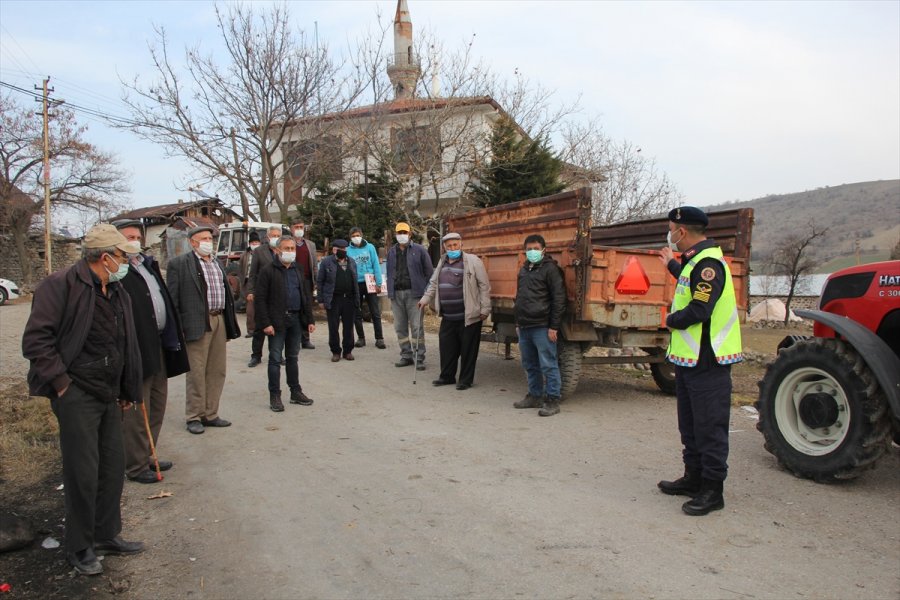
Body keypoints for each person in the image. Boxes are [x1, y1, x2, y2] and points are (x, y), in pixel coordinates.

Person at [22, 223, 145, 575]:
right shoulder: (59, 286)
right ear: (105, 257)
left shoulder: (117, 289)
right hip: (76, 393)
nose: (127, 261)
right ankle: (79, 547)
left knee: (111, 467)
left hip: (108, 393)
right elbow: (36, 342)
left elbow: (124, 342)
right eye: (122, 255)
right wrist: (61, 384)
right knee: (82, 472)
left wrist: (125, 388)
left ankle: (107, 535)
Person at [656, 206, 743, 516]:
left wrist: (670, 319)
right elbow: (690, 284)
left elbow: (699, 309)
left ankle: (712, 489)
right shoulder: (693, 263)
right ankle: (693, 478)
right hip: (690, 360)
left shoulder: (709, 265)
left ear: (682, 232)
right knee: (690, 424)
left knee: (709, 426)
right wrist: (671, 265)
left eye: (671, 229)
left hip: (709, 358)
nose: (670, 234)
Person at [113, 219, 190, 484]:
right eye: (128, 236)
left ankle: (149, 454)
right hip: (136, 347)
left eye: (137, 235)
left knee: (157, 402)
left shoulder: (146, 264)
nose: (134, 240)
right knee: (137, 407)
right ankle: (134, 465)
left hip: (159, 342)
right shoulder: (119, 270)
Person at [167, 224, 241, 434]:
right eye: (204, 239)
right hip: (196, 322)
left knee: (217, 369)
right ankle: (194, 416)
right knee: (196, 372)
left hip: (218, 320)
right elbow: (173, 299)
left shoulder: (217, 262)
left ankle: (210, 413)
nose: (209, 242)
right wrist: (178, 328)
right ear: (193, 242)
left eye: (210, 238)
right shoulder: (179, 264)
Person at [418, 232, 491, 390]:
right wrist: (425, 299)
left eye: (455, 245)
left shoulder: (473, 261)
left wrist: (485, 308)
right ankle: (447, 377)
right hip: (448, 316)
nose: (452, 248)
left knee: (468, 350)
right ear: (444, 247)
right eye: (449, 246)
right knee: (447, 348)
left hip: (469, 315)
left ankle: (465, 380)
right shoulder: (442, 261)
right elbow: (433, 283)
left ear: (461, 244)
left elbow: (484, 286)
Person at [255, 236, 316, 411]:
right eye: (286, 249)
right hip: (276, 322)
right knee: (275, 359)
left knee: (293, 357)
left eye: (292, 249)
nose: (290, 252)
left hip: (296, 320)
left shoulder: (298, 269)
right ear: (277, 250)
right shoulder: (268, 271)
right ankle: (275, 395)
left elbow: (305, 296)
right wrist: (266, 323)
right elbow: (260, 299)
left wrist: (309, 320)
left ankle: (295, 392)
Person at [511, 234, 566, 416]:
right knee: (529, 364)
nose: (532, 252)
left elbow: (559, 299)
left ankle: (552, 400)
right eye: (529, 249)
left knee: (549, 364)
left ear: (544, 249)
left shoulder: (551, 270)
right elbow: (519, 297)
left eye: (535, 248)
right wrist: (518, 323)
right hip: (525, 326)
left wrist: (554, 327)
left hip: (543, 326)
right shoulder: (524, 269)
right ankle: (534, 396)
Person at [386, 222, 434, 370]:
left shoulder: (419, 250)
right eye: (399, 232)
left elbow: (429, 272)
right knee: (400, 327)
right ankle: (406, 355)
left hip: (415, 294)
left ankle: (419, 357)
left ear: (410, 234)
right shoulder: (391, 252)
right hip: (396, 294)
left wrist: (426, 294)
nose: (402, 235)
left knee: (416, 327)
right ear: (395, 234)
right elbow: (389, 272)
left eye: (404, 232)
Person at [316, 239, 360, 362]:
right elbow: (320, 282)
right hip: (334, 299)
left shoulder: (351, 262)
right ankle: (335, 351)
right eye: (341, 249)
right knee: (333, 326)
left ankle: (348, 351)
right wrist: (321, 299)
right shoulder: (326, 262)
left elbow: (355, 281)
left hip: (349, 299)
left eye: (345, 249)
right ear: (335, 250)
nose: (344, 251)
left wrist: (357, 298)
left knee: (348, 326)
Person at [245, 225, 282, 366]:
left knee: (278, 327)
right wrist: (250, 291)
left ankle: (277, 354)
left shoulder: (282, 251)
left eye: (278, 235)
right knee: (260, 327)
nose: (275, 238)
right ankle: (256, 355)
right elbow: (253, 274)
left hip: (278, 294)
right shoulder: (259, 252)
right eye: (273, 235)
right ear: (267, 237)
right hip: (262, 294)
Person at [347, 226, 386, 349]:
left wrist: (379, 283)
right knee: (356, 312)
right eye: (353, 236)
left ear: (362, 235)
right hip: (355, 284)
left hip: (370, 283)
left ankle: (379, 338)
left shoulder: (370, 248)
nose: (356, 238)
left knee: (375, 311)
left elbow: (375, 265)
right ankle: (361, 338)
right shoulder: (348, 250)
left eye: (357, 235)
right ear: (350, 238)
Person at [290, 218, 318, 349]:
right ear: (291, 229)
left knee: (307, 309)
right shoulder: (287, 243)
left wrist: (316, 281)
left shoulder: (310, 245)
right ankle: (292, 339)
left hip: (306, 280)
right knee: (293, 308)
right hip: (291, 279)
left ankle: (305, 339)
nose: (299, 230)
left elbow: (314, 265)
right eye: (296, 227)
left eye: (301, 227)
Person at [239, 230, 263, 338]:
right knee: (250, 309)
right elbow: (241, 271)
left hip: (262, 282)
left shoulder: (264, 254)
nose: (255, 245)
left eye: (257, 243)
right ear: (249, 244)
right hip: (249, 283)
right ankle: (251, 330)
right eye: (253, 243)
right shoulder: (244, 255)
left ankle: (263, 327)